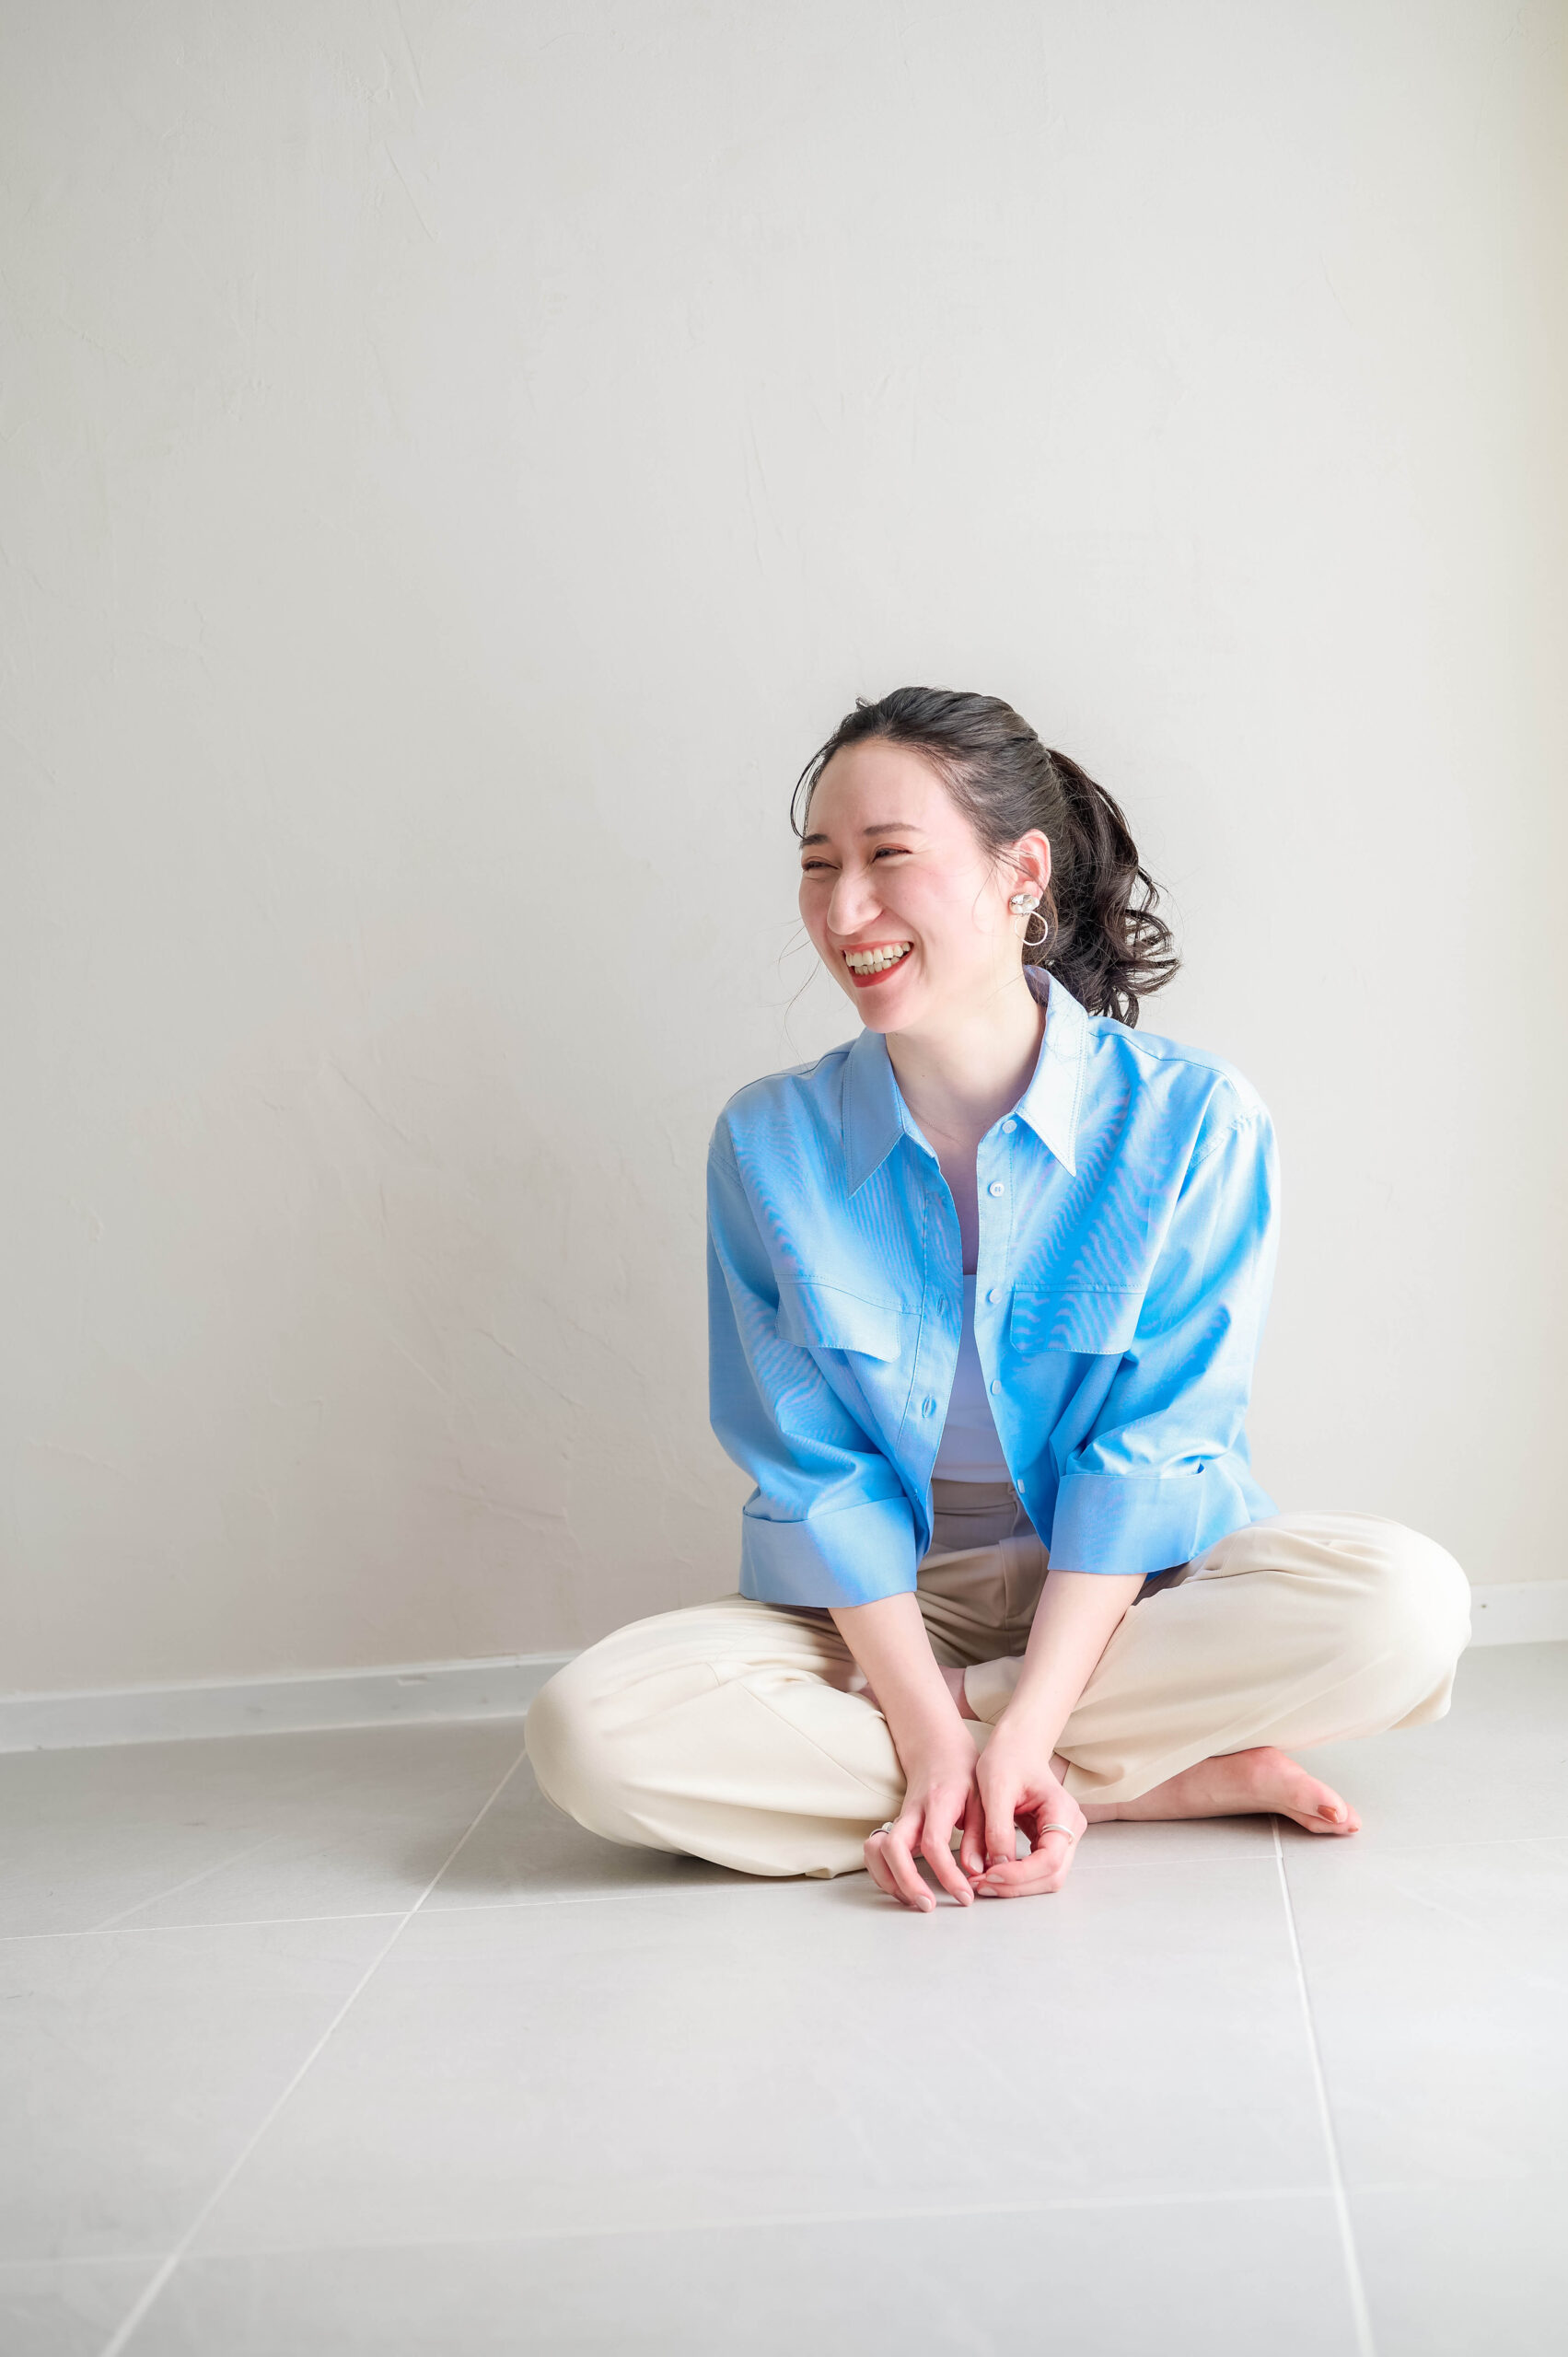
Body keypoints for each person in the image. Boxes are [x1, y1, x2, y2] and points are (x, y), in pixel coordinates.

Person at [526, 688, 1470, 1910]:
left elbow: (1150, 1457)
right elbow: (816, 1473)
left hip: (1137, 1592)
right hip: (893, 1604)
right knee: (589, 1735)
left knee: (1402, 1610)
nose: (844, 911)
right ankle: (1128, 1780)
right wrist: (928, 1723)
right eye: (819, 866)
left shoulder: (1193, 1120)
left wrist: (1014, 1718)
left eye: (888, 857)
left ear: (1021, 874)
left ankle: (1011, 1761)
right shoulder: (768, 1142)